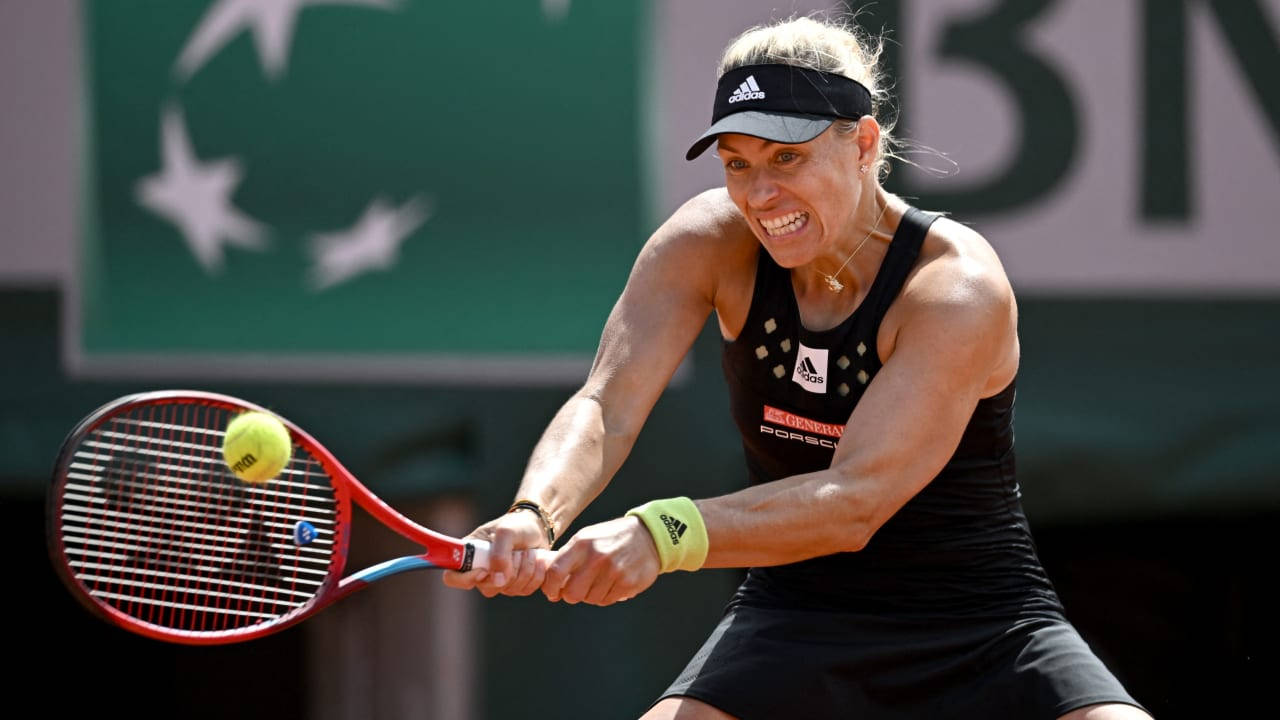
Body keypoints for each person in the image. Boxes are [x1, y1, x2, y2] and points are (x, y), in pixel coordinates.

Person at [444, 15, 1152, 720]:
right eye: (737, 164)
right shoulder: (705, 242)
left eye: (787, 159)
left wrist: (661, 534)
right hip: (793, 616)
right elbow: (607, 404)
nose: (758, 195)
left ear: (864, 144)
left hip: (984, 627)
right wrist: (534, 514)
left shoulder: (954, 287)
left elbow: (853, 502)